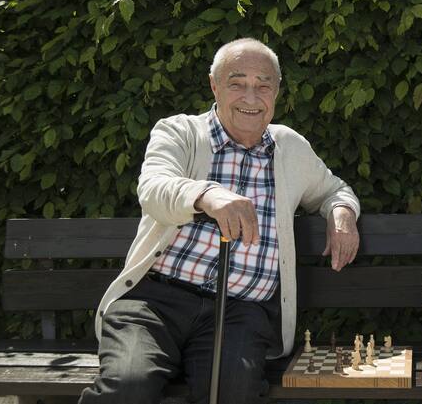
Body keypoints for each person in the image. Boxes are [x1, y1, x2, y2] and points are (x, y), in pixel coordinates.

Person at [79, 38, 360, 404]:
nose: (251, 97)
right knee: (128, 387)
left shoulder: (289, 148)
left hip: (239, 312)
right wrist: (207, 195)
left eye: (263, 85)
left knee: (232, 393)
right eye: (237, 83)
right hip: (154, 302)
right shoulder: (180, 132)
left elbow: (334, 190)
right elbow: (153, 188)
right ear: (214, 85)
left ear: (276, 92)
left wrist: (342, 215)